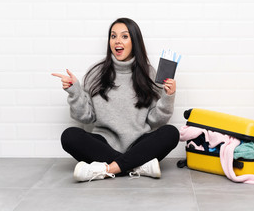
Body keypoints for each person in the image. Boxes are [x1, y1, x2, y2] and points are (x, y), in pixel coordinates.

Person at [52, 18, 179, 182]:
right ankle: (137, 166)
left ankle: (107, 169)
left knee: (171, 133)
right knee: (69, 136)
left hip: (138, 143)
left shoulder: (149, 73)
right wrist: (75, 91)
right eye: (113, 36)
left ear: (135, 41)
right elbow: (85, 117)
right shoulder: (95, 73)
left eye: (124, 36)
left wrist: (168, 97)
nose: (117, 41)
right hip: (104, 144)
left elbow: (155, 120)